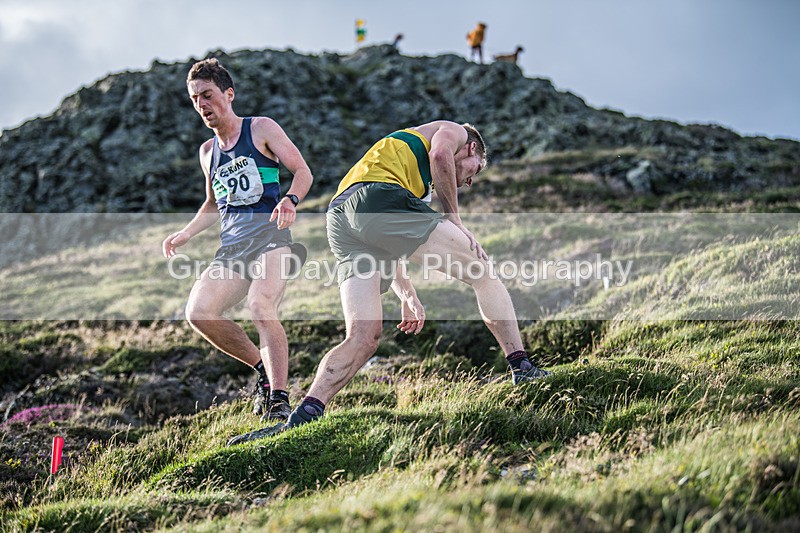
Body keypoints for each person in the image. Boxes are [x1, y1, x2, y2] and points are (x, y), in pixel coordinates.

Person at [228, 120, 549, 444]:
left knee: (363, 336)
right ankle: (522, 367)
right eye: (474, 170)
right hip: (375, 198)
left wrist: (407, 295)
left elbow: (388, 235)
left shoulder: (409, 176)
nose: (467, 182)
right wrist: (454, 218)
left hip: (341, 216)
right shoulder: (456, 132)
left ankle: (304, 415)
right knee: (482, 271)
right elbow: (440, 155)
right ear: (472, 149)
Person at [162, 58, 313, 422]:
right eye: (195, 98)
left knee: (260, 306)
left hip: (272, 238)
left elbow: (303, 171)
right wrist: (185, 233)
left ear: (228, 94)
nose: (201, 104)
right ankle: (263, 369)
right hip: (232, 249)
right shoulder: (206, 153)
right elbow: (213, 203)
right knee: (198, 312)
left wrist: (290, 200)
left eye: (208, 95)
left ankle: (279, 400)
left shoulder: (260, 128)